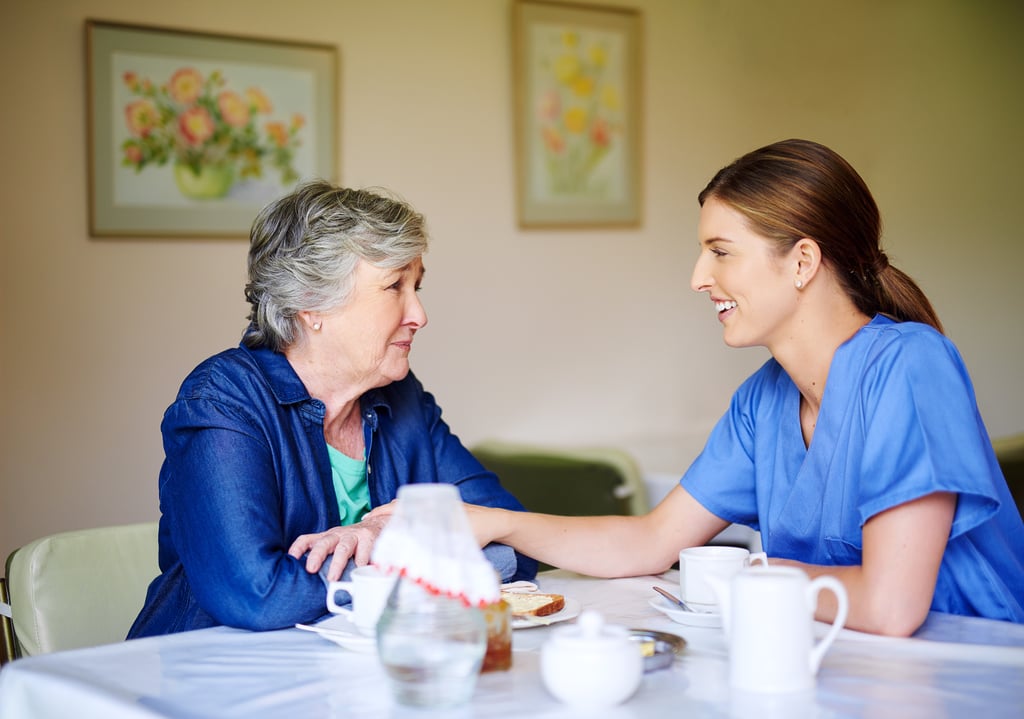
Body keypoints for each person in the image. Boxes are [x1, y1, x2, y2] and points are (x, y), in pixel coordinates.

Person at [373, 139, 1024, 636]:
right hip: (854, 664)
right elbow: (651, 540)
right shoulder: (763, 401)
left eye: (720, 250)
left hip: (973, 662)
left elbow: (890, 606)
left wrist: (755, 576)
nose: (697, 276)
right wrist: (493, 521)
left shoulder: (910, 366)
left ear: (801, 261)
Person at [128, 181, 536, 638]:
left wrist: (383, 540)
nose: (419, 314)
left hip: (350, 674)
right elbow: (259, 598)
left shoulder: (402, 401)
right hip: (210, 683)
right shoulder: (223, 401)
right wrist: (421, 555)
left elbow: (511, 548)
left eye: (416, 287)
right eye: (394, 286)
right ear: (311, 304)